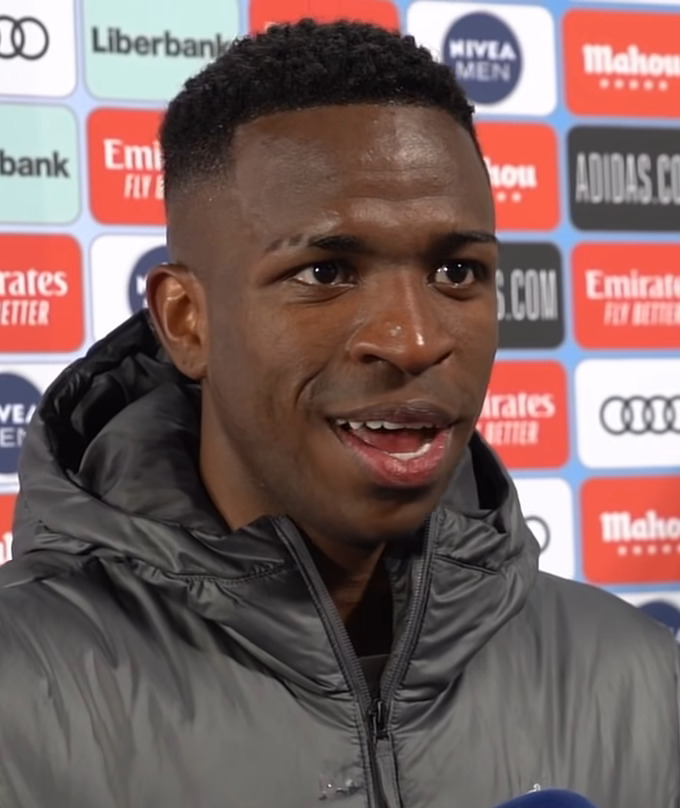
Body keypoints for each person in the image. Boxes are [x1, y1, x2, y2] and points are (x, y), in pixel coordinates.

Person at [0, 20, 677, 808]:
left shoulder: (639, 676)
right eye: (326, 272)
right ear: (187, 321)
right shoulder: (20, 692)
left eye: (457, 271)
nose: (415, 340)